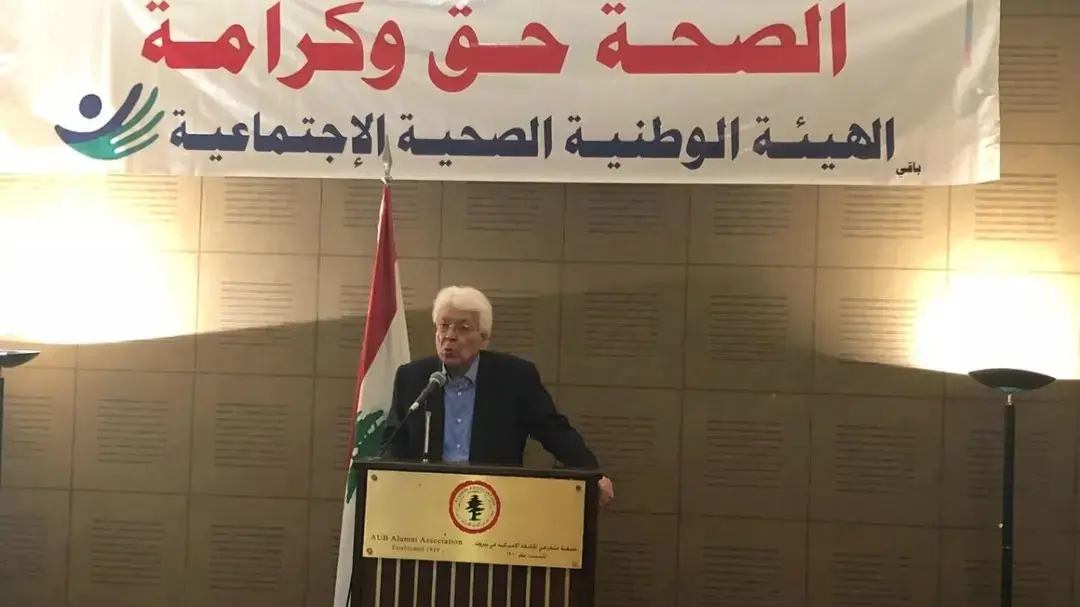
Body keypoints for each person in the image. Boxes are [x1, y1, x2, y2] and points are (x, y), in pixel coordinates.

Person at [381, 285, 616, 507]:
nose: (449, 336)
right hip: (428, 499)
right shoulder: (412, 378)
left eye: (463, 328)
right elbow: (394, 440)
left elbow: (553, 430)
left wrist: (591, 473)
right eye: (443, 326)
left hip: (494, 499)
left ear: (484, 339)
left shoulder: (514, 377)